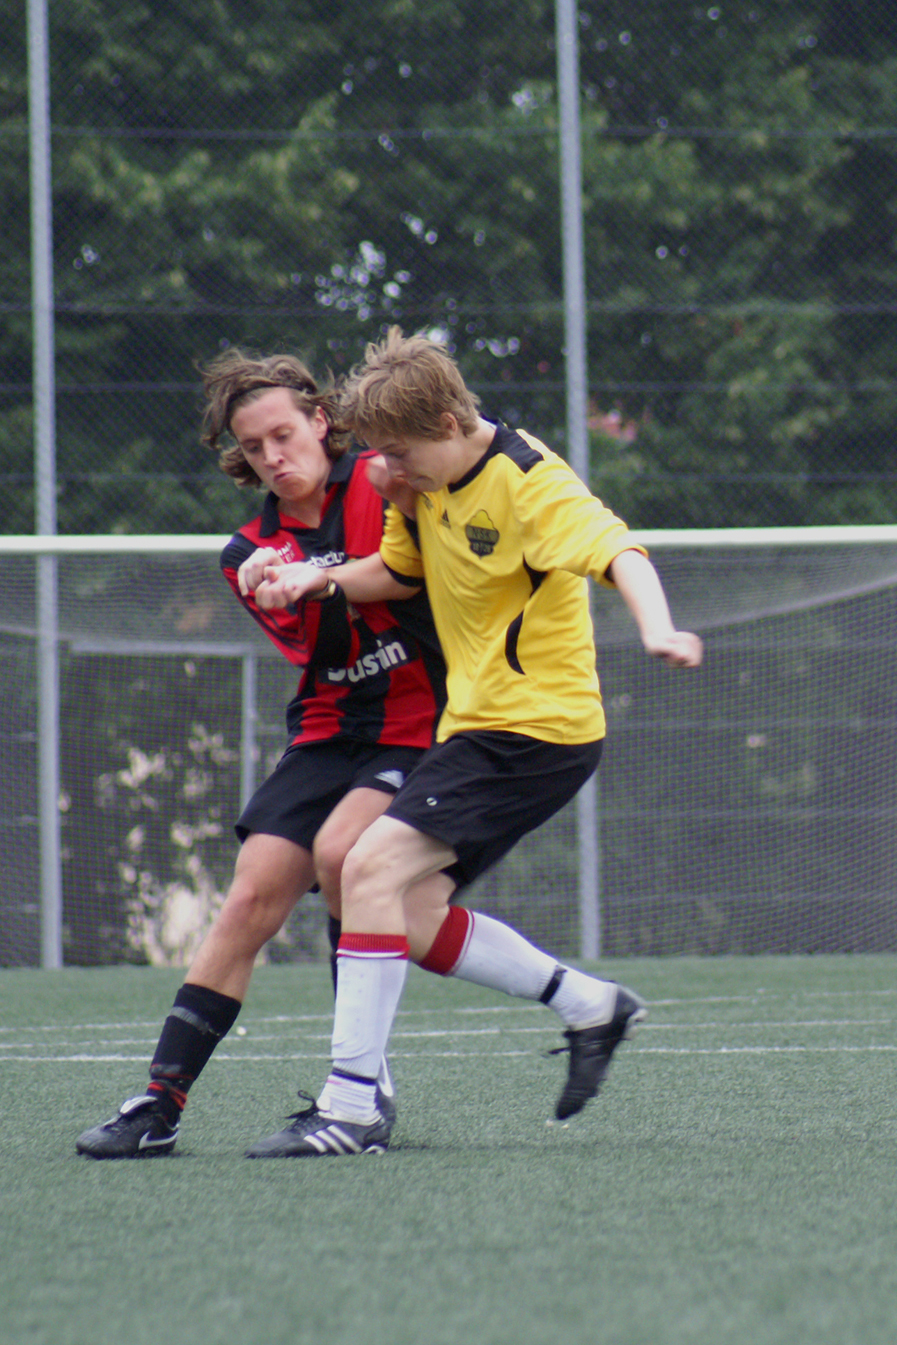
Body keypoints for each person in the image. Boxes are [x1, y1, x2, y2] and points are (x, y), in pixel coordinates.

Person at [245, 327, 702, 1157]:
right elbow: (400, 572)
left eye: (400, 452)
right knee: (411, 913)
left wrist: (658, 627)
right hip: (478, 726)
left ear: (452, 422)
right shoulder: (417, 481)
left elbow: (620, 550)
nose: (385, 468)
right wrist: (319, 577)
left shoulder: (528, 481)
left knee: (365, 867)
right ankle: (590, 1005)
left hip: (535, 730)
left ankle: (351, 1107)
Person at [76, 351, 443, 1156]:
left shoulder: (382, 479)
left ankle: (361, 1087)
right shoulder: (247, 550)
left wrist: (316, 574)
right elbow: (329, 645)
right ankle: (159, 1104)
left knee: (345, 855)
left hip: (421, 721)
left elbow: (411, 580)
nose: (273, 456)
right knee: (249, 897)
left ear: (321, 421)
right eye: (253, 446)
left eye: (284, 434)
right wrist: (286, 580)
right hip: (330, 729)